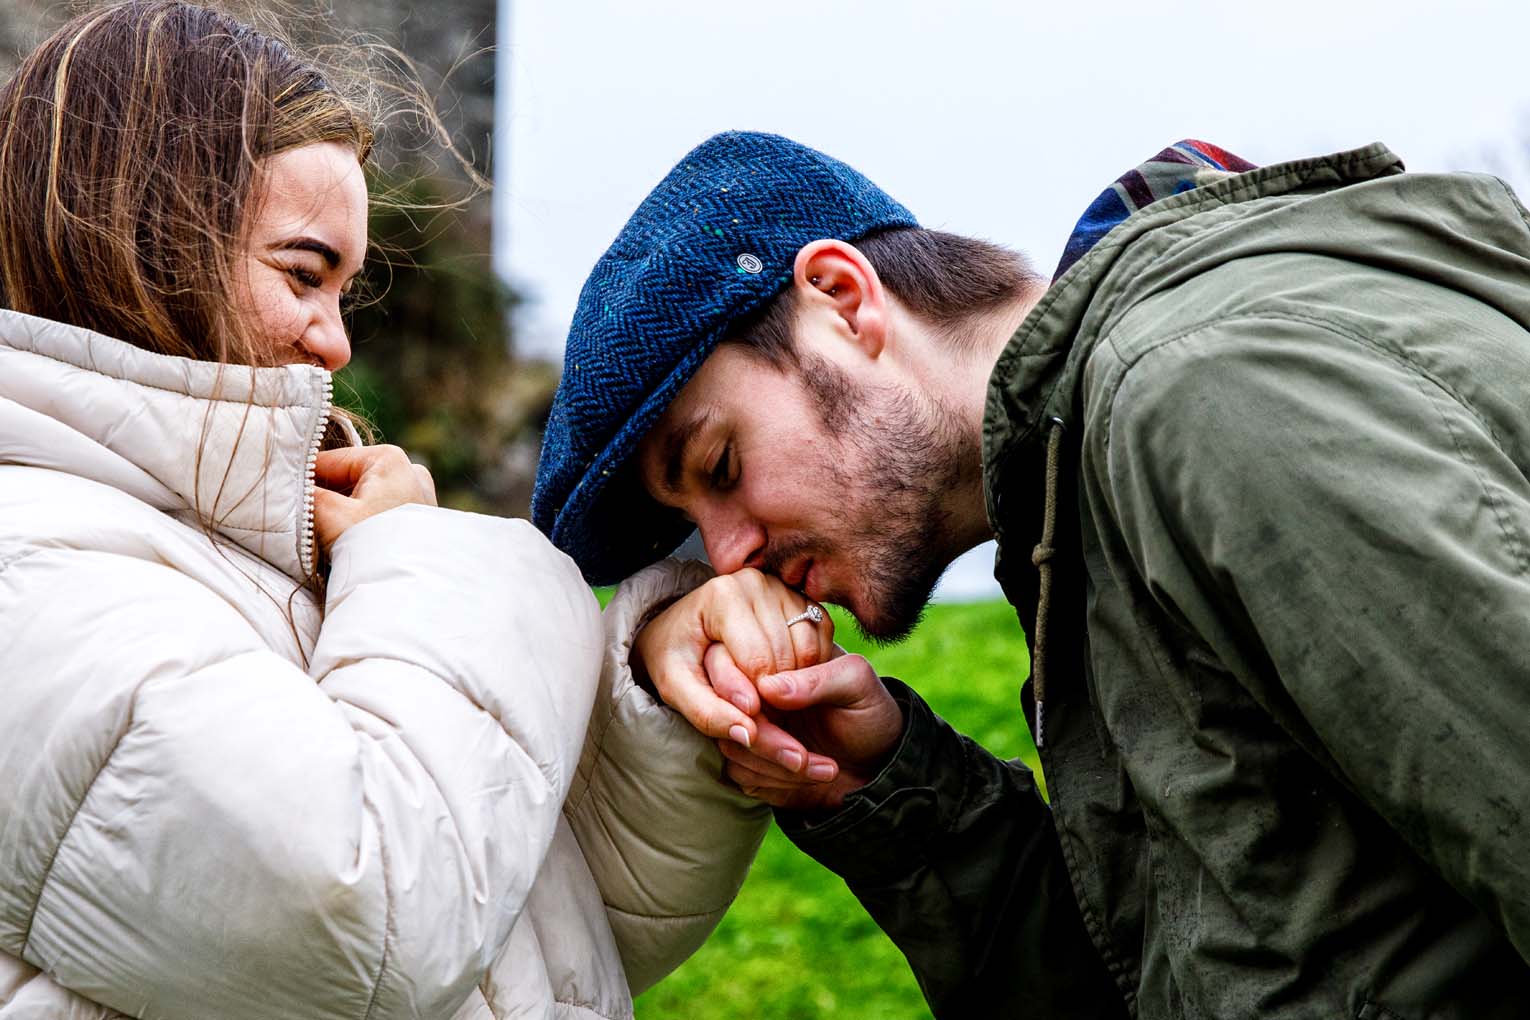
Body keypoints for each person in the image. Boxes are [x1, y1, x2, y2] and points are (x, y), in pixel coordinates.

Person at [533, 129, 1530, 1017]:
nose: (732, 554)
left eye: (720, 468)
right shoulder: (1089, 506)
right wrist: (892, 788)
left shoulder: (1198, 401)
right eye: (695, 530)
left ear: (841, 300)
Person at [0, 7, 766, 1019]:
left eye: (345, 292)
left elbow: (543, 930)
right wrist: (427, 558)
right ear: (143, 242)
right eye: (304, 273)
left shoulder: (242, 548)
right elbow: (382, 919)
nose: (336, 344)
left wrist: (668, 701)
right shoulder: (31, 575)